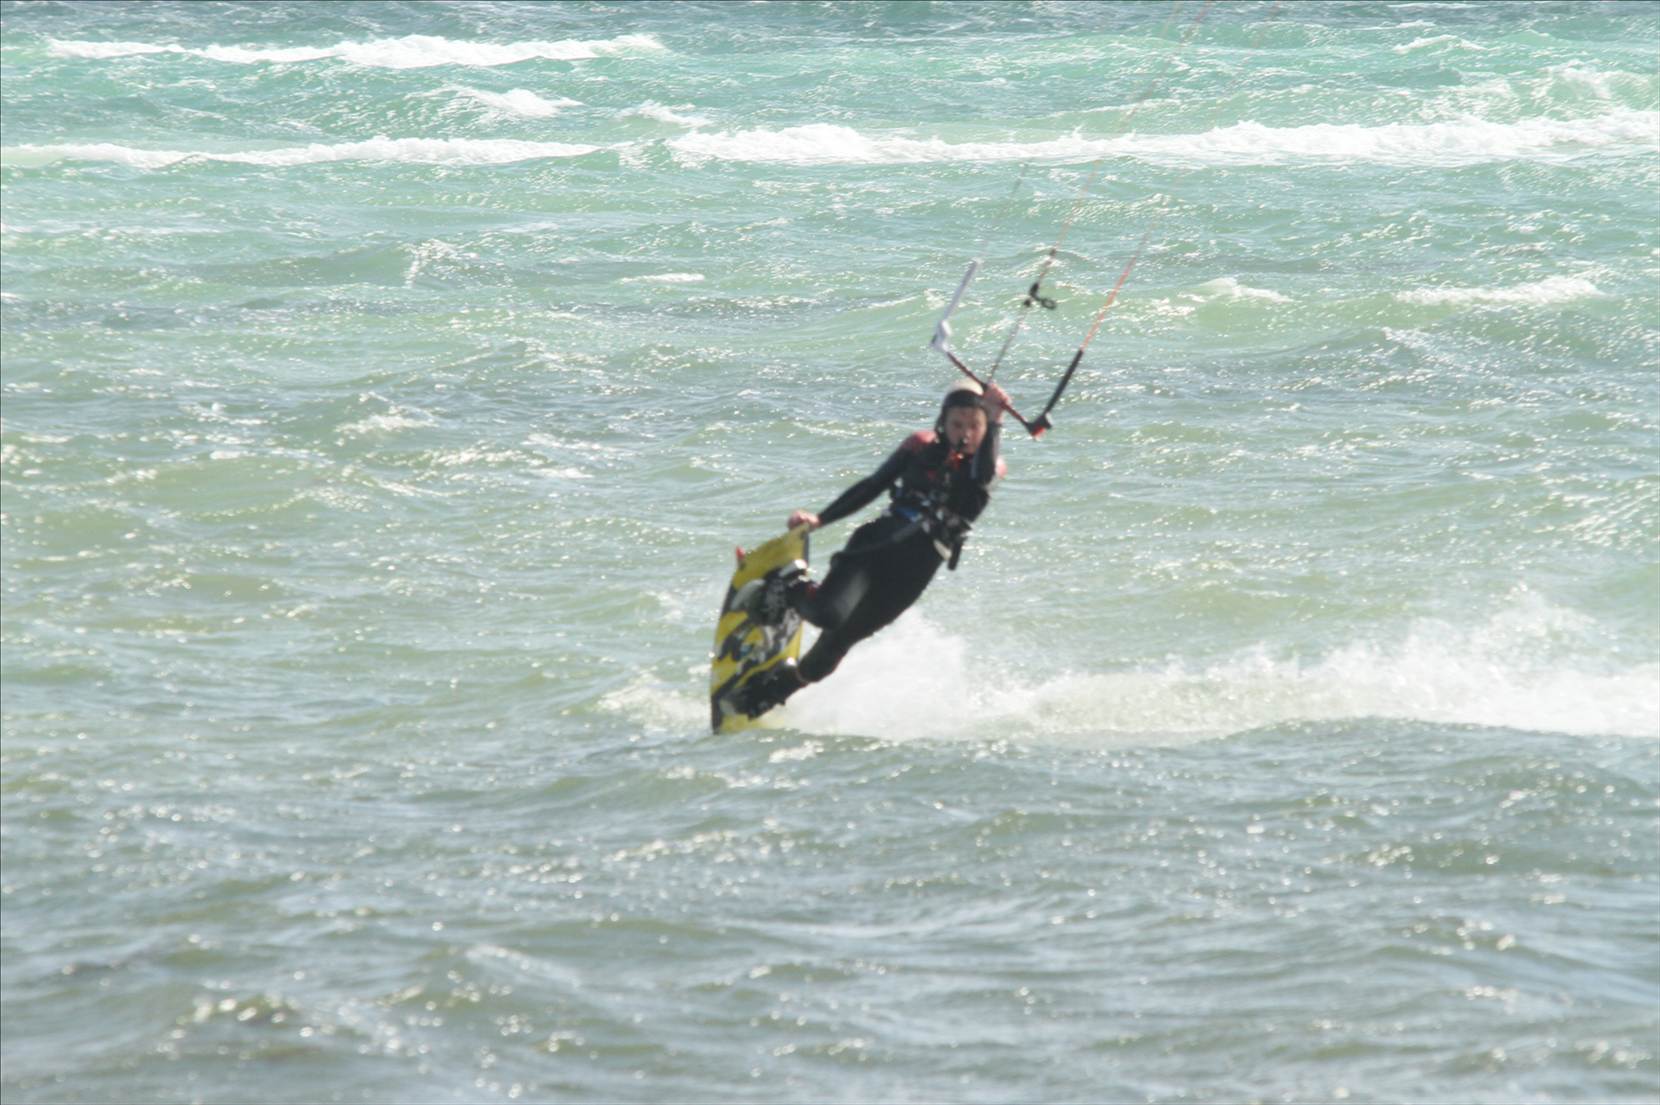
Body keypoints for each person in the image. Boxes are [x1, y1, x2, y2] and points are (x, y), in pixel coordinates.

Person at [730, 378, 1011, 718]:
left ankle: (776, 688)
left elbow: (979, 479)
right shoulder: (921, 445)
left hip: (916, 570)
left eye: (974, 425)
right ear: (943, 422)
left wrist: (996, 419)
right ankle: (786, 587)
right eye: (956, 424)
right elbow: (872, 486)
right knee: (828, 615)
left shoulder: (991, 467)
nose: (964, 433)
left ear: (987, 427)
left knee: (837, 643)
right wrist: (821, 519)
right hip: (876, 547)